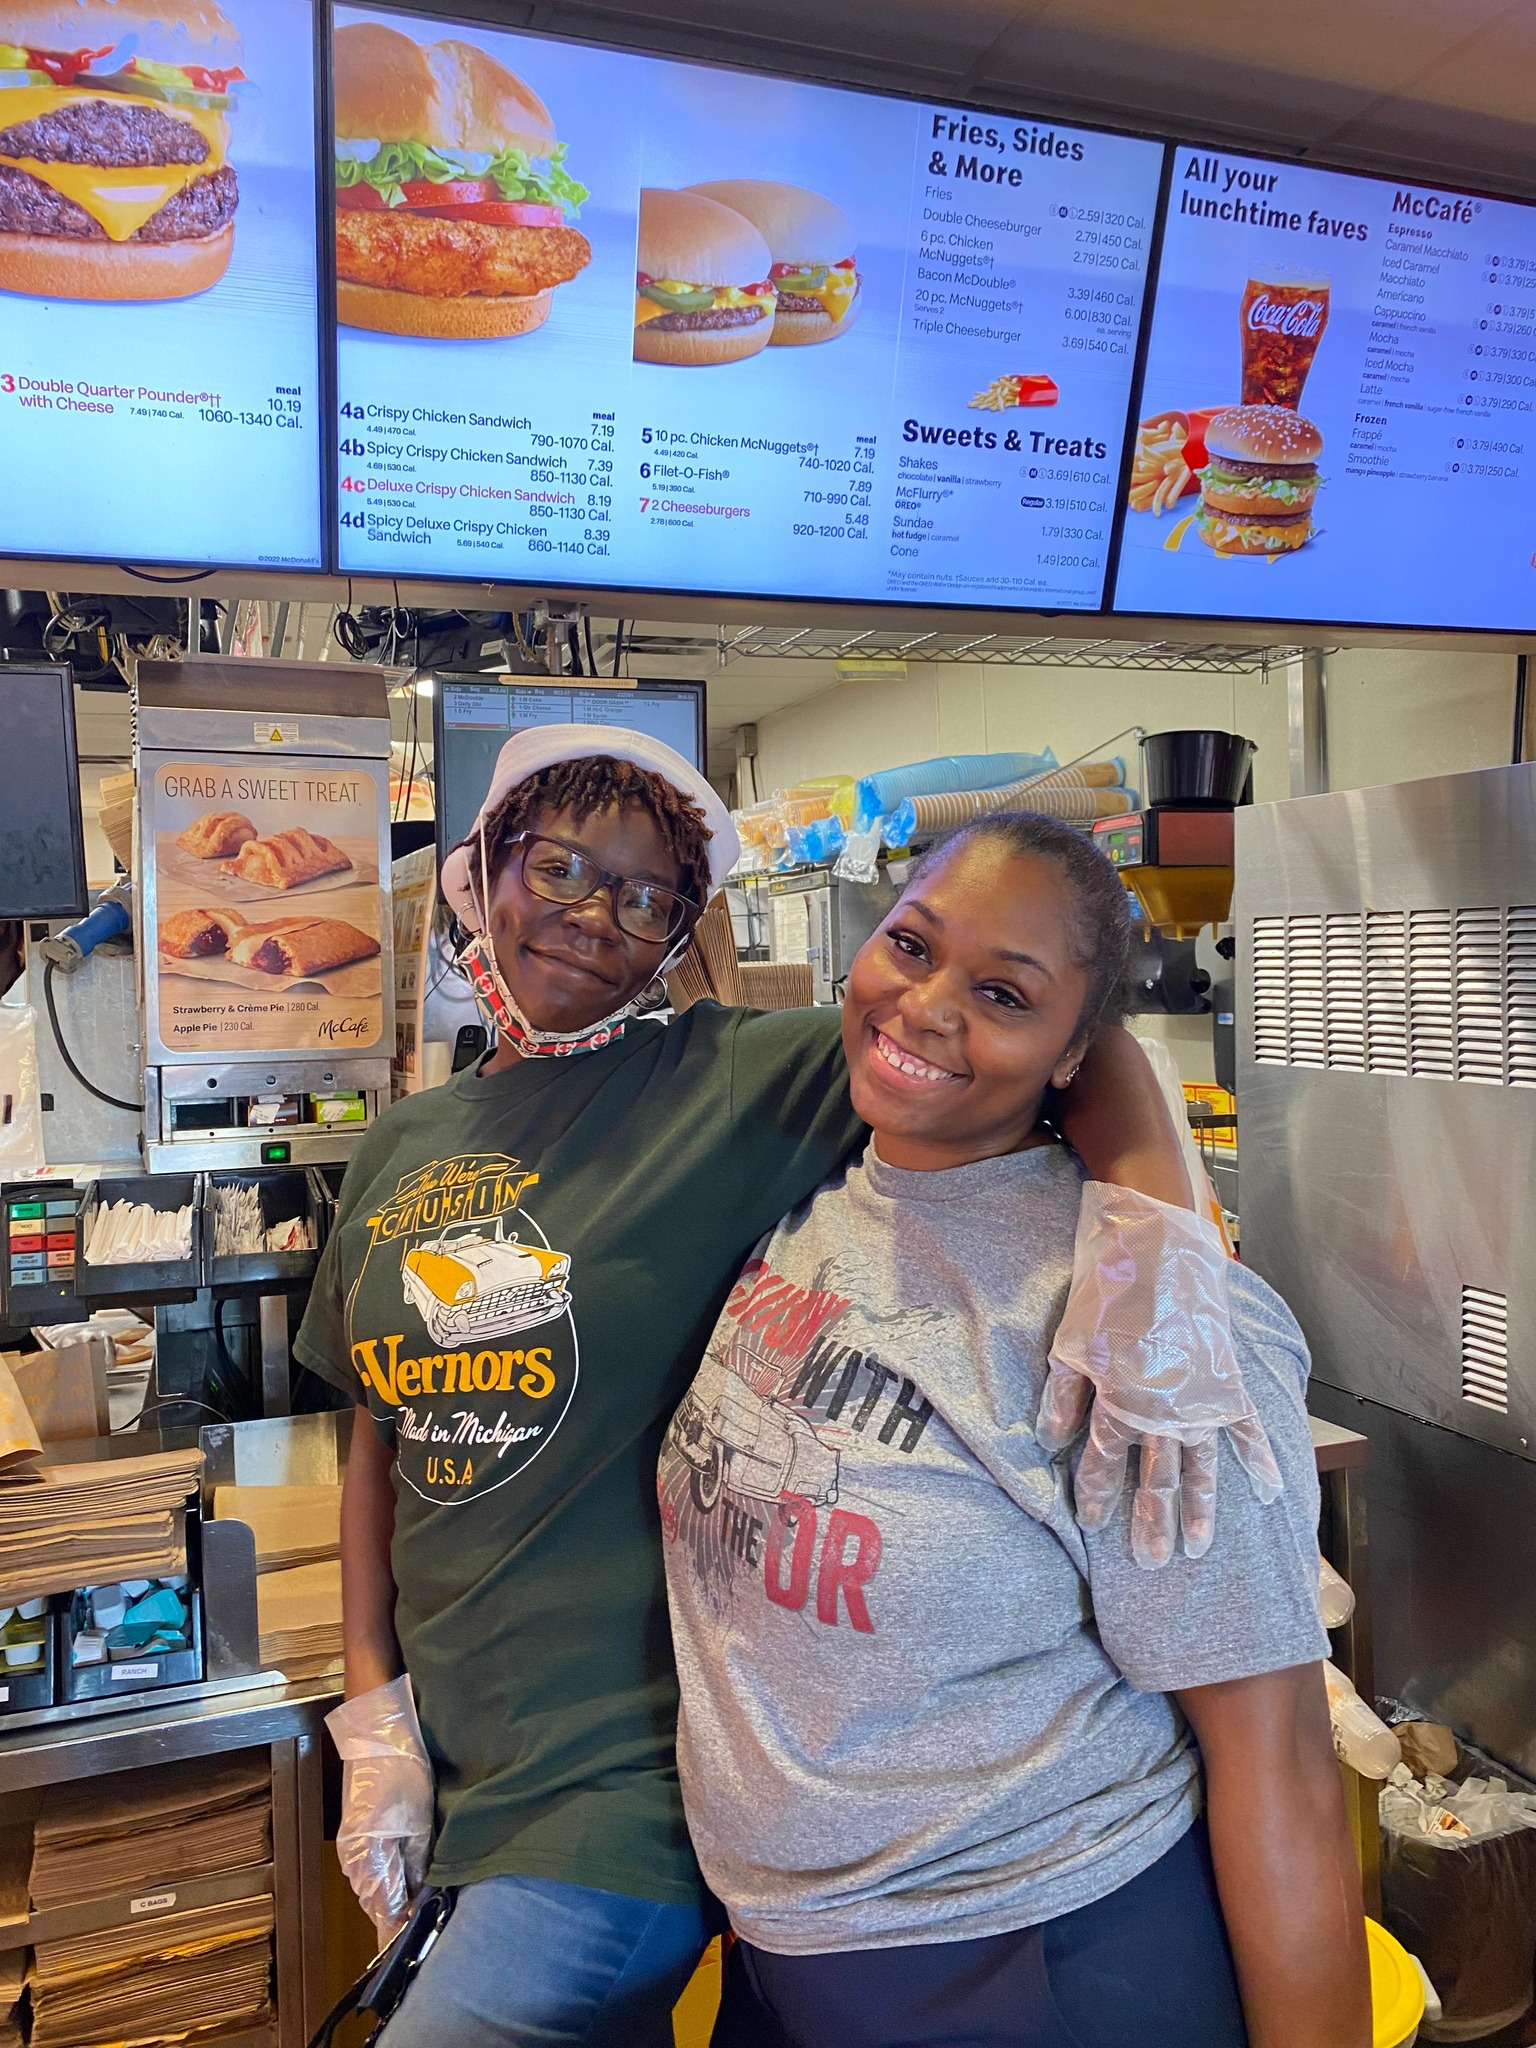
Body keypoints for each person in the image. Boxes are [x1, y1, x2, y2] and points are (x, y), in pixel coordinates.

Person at [297, 728, 1269, 2047]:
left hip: (618, 1787)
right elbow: (381, 1438)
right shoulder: (404, 1139)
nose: (595, 916)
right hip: (471, 1756)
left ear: (679, 933)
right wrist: (376, 1720)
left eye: (647, 896)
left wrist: (1158, 1242)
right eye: (562, 867)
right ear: (485, 868)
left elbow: (1058, 1039)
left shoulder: (734, 1078)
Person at [660, 811, 1371, 2048]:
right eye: (912, 944)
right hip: (786, 1962)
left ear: (1073, 1050)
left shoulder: (1143, 1325)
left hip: (1037, 1964)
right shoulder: (818, 1186)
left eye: (1003, 993)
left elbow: (1283, 1766)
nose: (928, 1005)